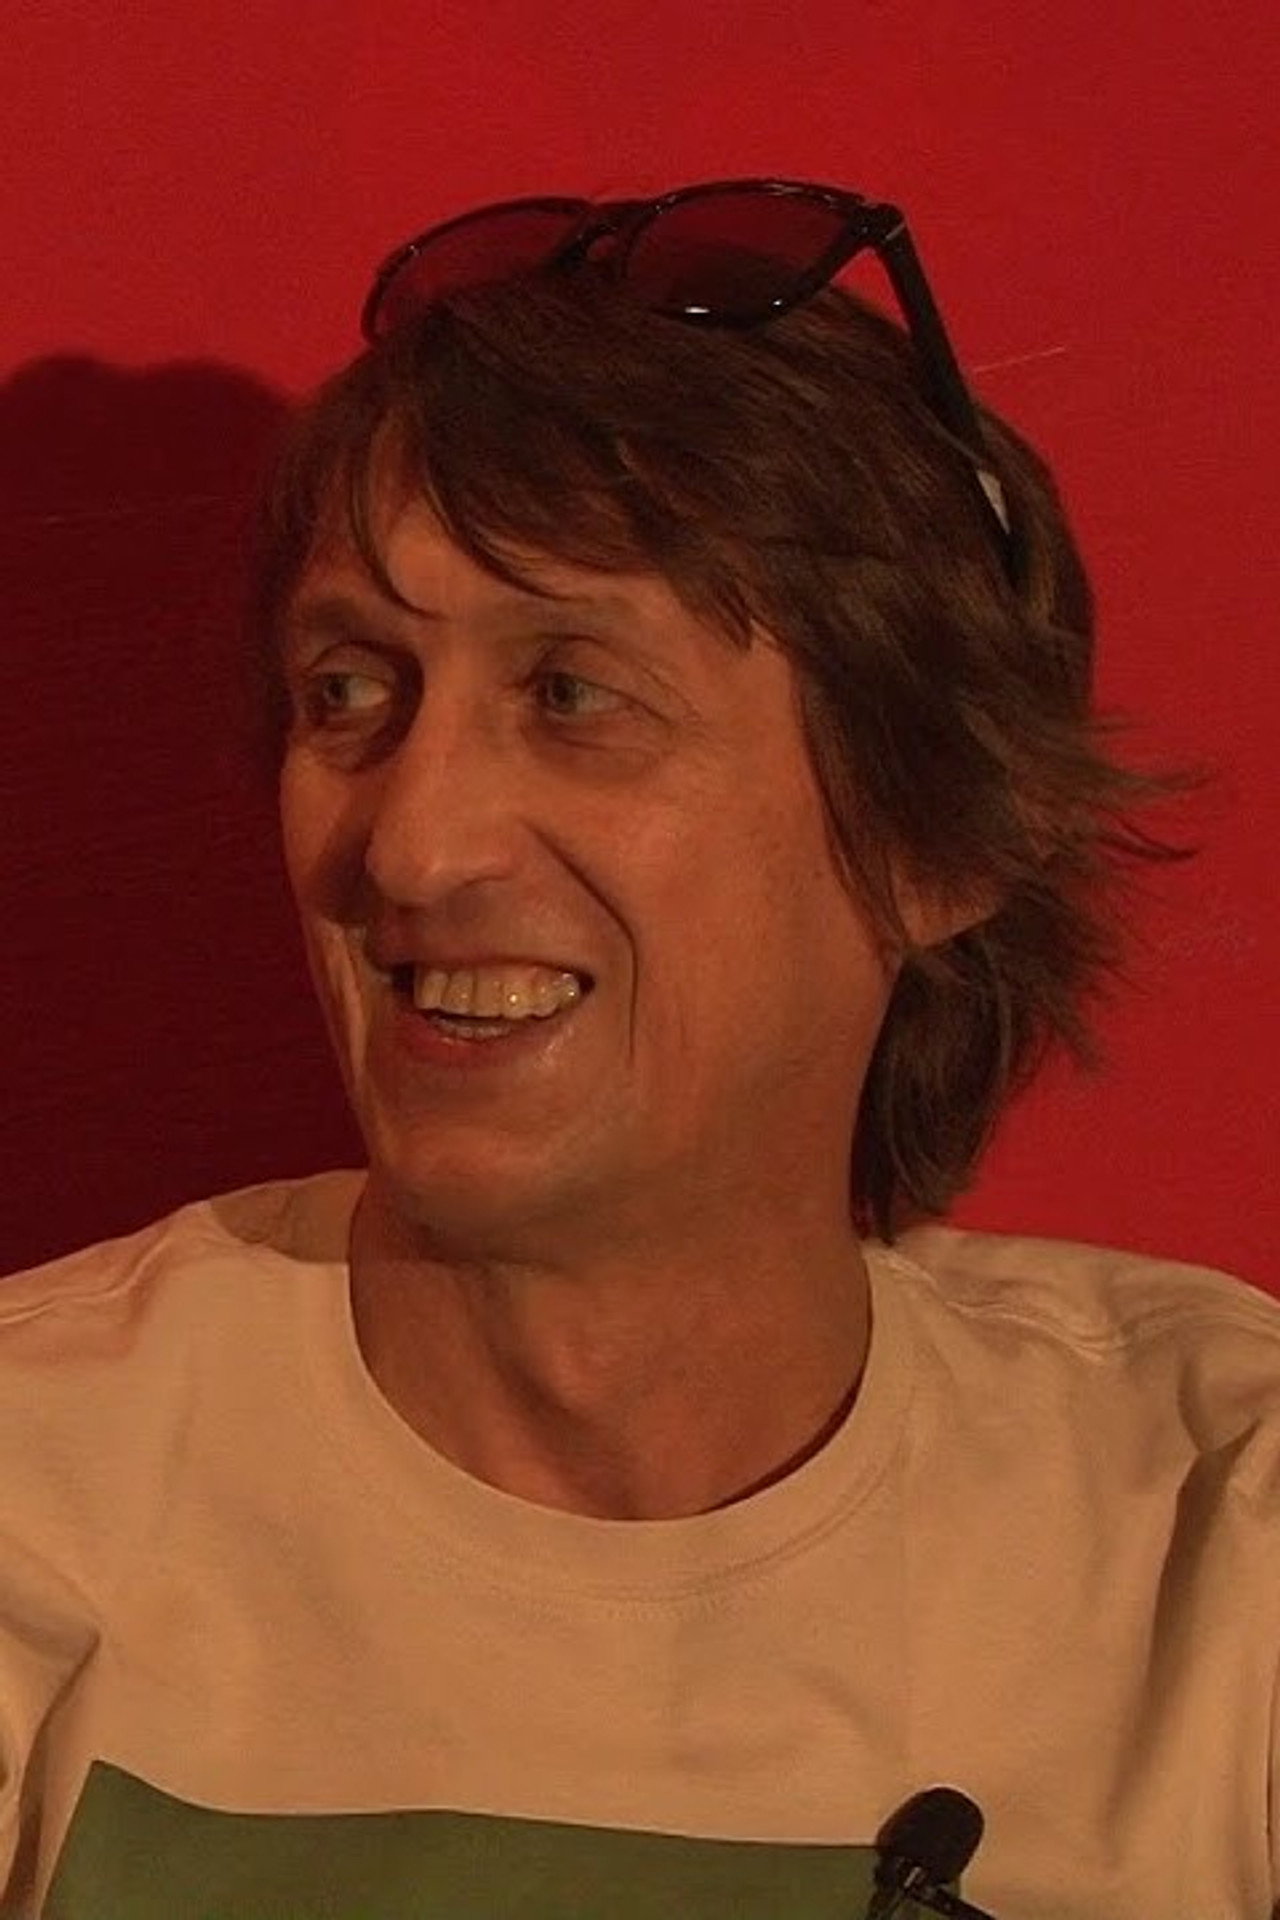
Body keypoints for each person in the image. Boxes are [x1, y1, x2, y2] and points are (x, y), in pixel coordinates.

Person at [2, 178, 1276, 1920]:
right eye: (352, 691)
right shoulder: (38, 1498)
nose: (411, 848)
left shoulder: (1221, 1542)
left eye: (574, 692)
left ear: (941, 833)